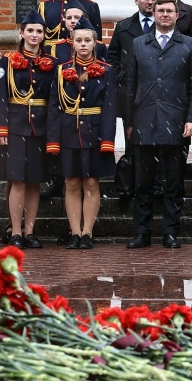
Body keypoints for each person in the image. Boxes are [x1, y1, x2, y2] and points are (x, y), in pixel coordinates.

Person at [125, 0, 192, 250]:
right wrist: (128, 121)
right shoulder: (139, 44)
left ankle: (170, 231)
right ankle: (142, 232)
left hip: (177, 121)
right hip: (144, 120)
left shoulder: (189, 45)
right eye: (161, 11)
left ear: (178, 15)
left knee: (174, 182)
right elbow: (130, 85)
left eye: (170, 11)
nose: (165, 15)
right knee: (143, 182)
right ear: (153, 13)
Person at [46, 17, 116, 250]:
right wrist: (53, 140)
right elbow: (55, 107)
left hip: (94, 133)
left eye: (87, 40)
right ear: (72, 43)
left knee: (91, 183)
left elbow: (109, 108)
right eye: (79, 40)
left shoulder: (106, 71)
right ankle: (74, 232)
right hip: (68, 132)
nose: (83, 44)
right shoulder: (61, 71)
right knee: (72, 183)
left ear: (95, 43)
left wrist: (107, 140)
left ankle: (88, 232)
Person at [0, 10, 55, 249]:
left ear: (44, 35)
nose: (35, 35)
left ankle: (30, 230)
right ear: (21, 32)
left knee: (35, 181)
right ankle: (15, 231)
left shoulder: (52, 64)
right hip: (15, 126)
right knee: (17, 180)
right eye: (30, 31)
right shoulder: (6, 61)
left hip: (41, 127)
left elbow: (55, 100)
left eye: (39, 31)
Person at [107, 0, 160, 199]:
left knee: (156, 138)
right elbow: (113, 57)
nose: (150, 3)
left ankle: (155, 183)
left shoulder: (163, 25)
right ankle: (132, 183)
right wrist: (124, 78)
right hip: (131, 93)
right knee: (131, 136)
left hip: (156, 93)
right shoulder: (124, 27)